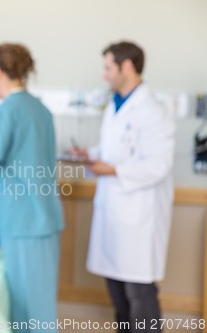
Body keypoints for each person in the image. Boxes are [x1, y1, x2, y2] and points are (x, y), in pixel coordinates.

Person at [0, 43, 64, 332]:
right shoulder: (41, 110)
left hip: (23, 223)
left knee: (27, 311)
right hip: (43, 218)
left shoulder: (5, 112)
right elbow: (28, 167)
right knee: (40, 305)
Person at [73, 41, 175, 332]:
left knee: (138, 293)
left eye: (108, 68)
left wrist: (112, 169)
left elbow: (158, 166)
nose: (104, 75)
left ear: (126, 66)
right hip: (115, 211)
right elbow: (114, 149)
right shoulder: (116, 104)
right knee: (118, 292)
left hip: (139, 216)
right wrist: (90, 155)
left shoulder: (153, 111)